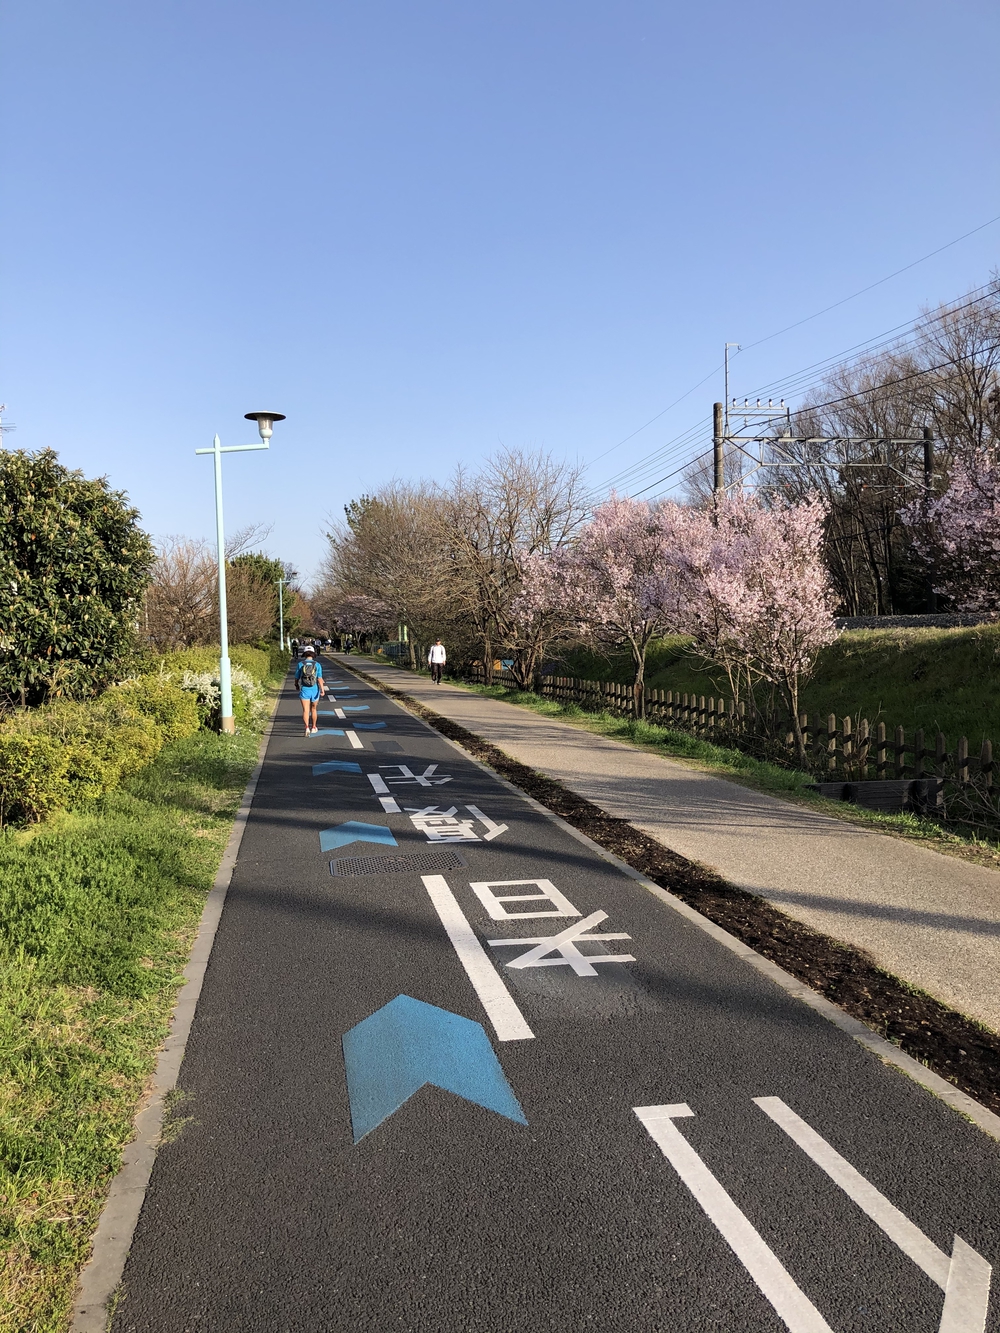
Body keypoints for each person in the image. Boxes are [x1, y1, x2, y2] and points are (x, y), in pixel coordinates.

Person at [295, 645, 326, 735]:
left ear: (304, 654)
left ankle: (307, 728)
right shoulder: (317, 665)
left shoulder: (300, 664)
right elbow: (319, 679)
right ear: (313, 654)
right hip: (315, 689)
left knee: (305, 710)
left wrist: (296, 685)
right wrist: (322, 690)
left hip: (304, 689)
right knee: (314, 709)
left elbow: (297, 677)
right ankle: (314, 727)